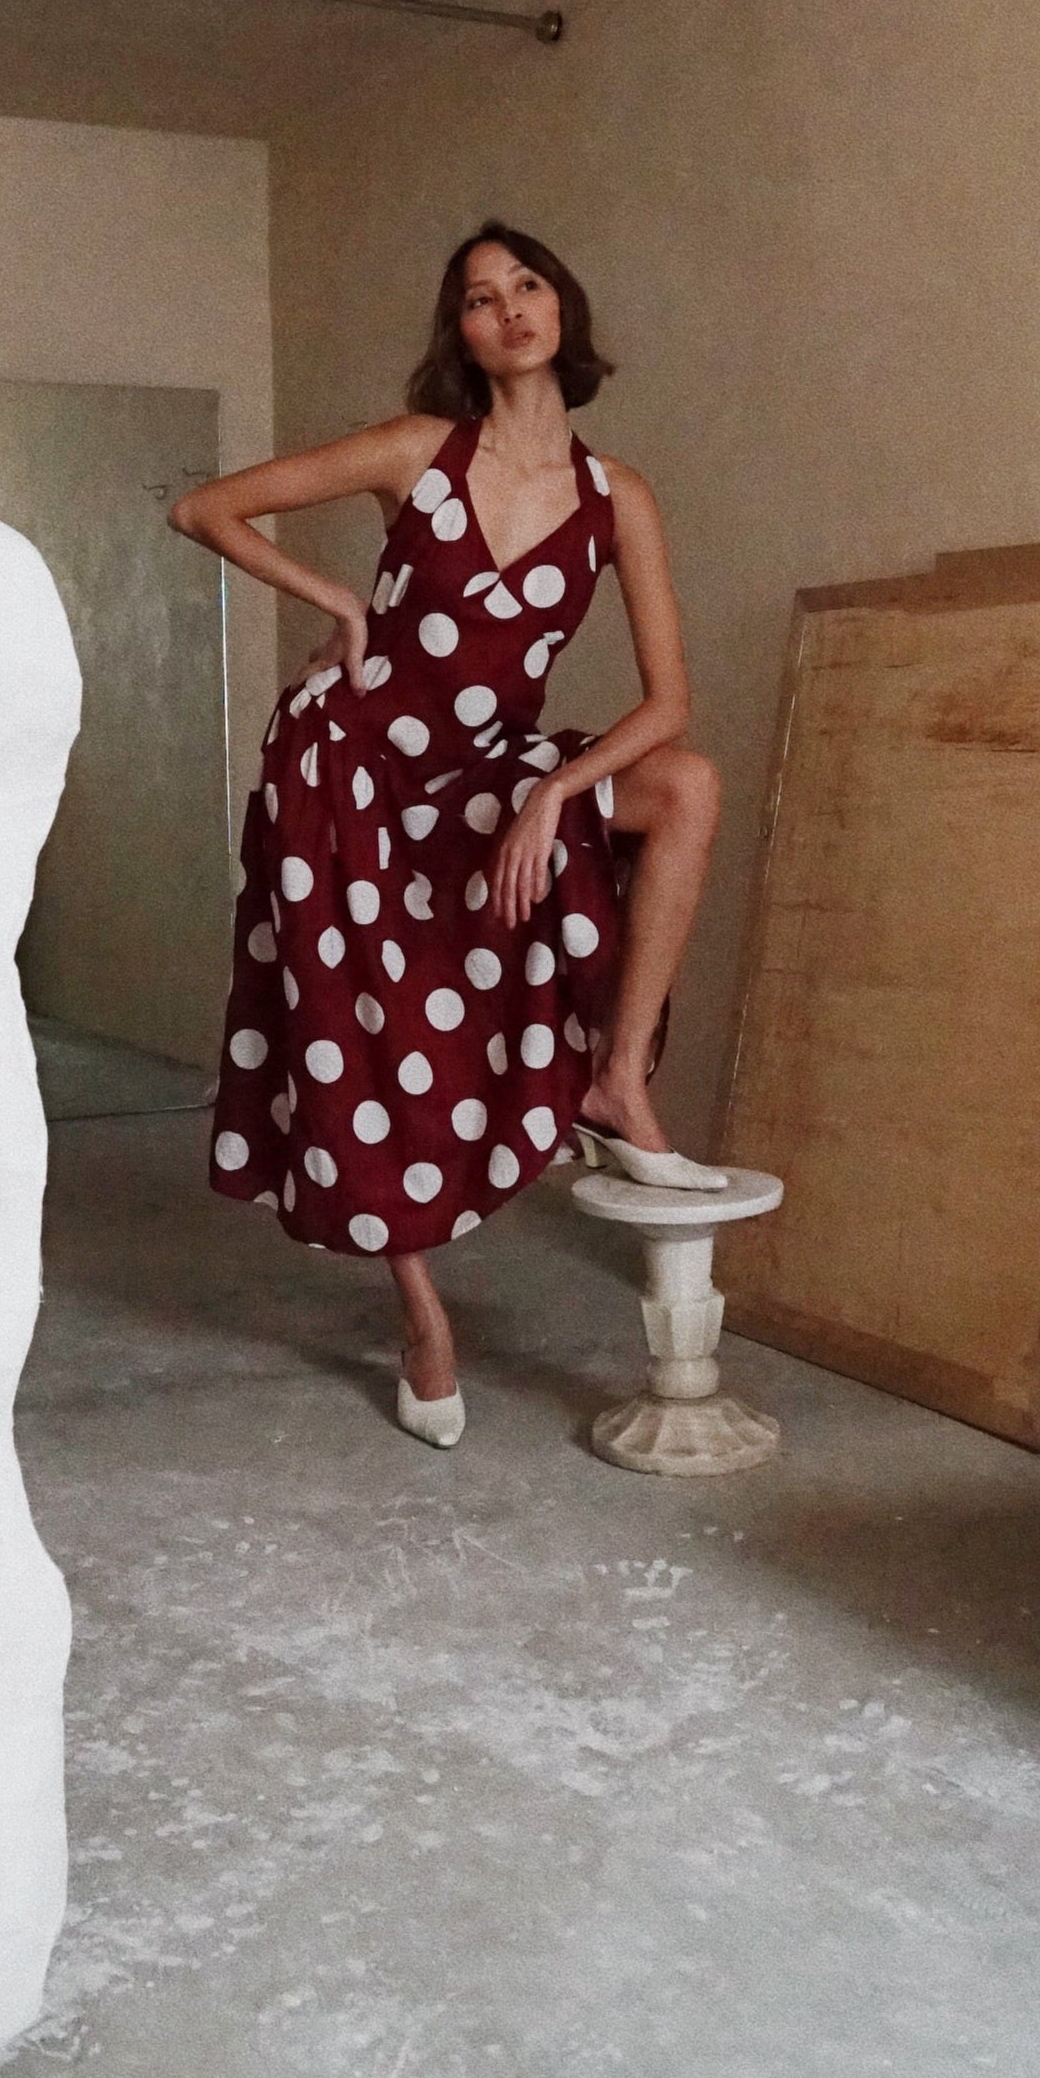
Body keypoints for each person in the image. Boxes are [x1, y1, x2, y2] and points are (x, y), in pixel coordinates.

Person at [170, 222, 724, 1448]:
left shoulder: (615, 496)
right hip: (345, 770)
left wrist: (552, 792)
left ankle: (617, 1079)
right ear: (461, 335)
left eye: (526, 284)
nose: (508, 308)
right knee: (374, 1036)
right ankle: (422, 1318)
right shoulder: (416, 450)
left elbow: (668, 704)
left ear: (561, 309)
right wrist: (338, 600)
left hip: (489, 771)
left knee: (684, 787)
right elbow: (206, 509)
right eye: (479, 298)